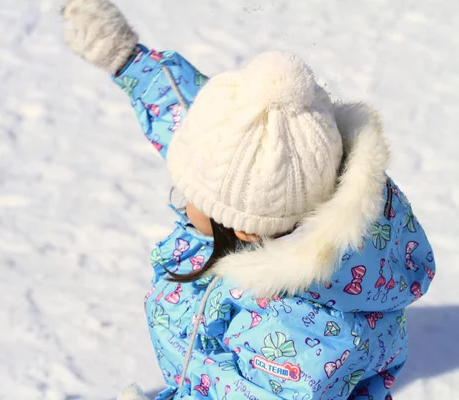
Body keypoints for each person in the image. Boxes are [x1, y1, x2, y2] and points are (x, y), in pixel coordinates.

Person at [60, 1, 436, 399]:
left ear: (242, 225)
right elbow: (196, 124)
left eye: (192, 194)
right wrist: (124, 57)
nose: (183, 197)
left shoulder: (288, 334)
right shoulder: (284, 181)